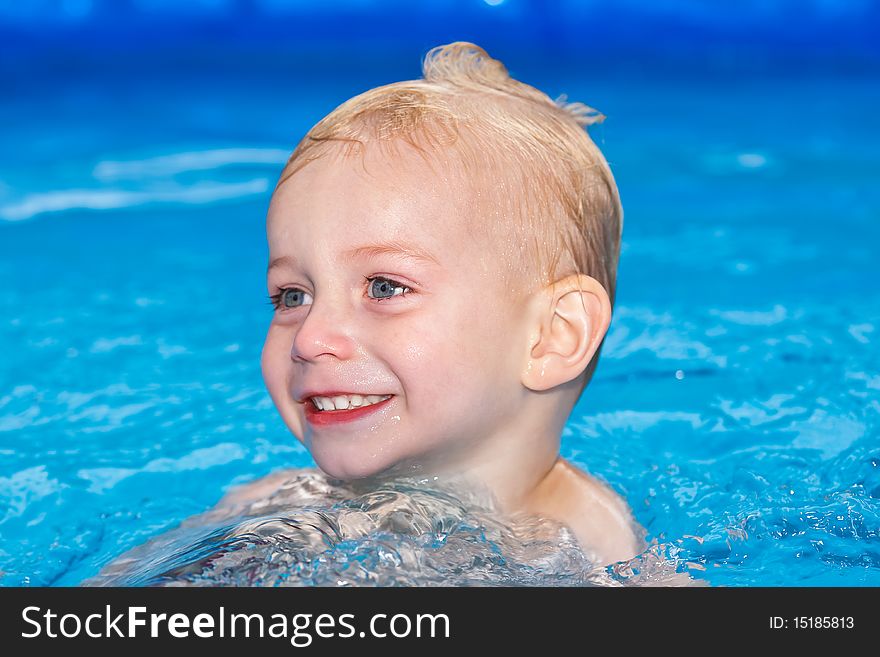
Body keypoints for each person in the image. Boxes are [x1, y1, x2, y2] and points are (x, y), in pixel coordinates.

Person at [249, 40, 644, 569]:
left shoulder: (599, 551)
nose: (309, 338)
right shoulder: (272, 508)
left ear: (554, 335)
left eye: (384, 287)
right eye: (293, 295)